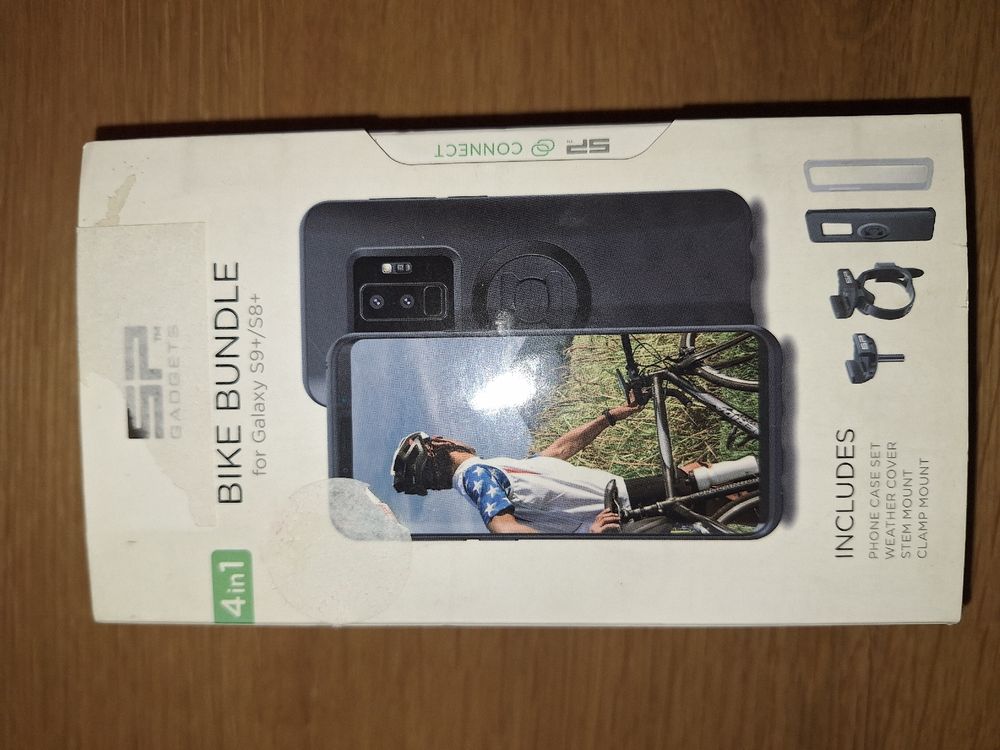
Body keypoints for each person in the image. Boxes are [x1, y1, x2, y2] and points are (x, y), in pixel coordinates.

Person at [390, 400, 693, 534]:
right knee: (705, 482)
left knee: (703, 483)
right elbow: (503, 528)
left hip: (622, 499)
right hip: (621, 507)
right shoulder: (475, 476)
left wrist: (610, 416)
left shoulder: (492, 472)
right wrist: (589, 537)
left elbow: (559, 451)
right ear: (440, 443)